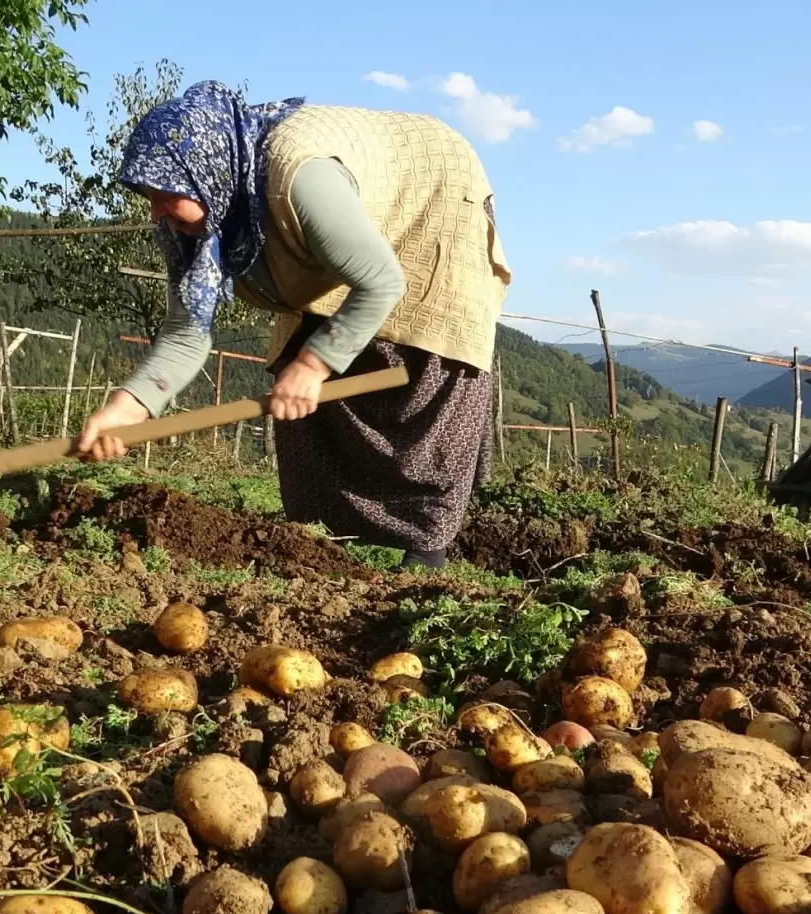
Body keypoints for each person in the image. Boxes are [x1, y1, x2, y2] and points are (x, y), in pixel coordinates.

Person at [75, 80, 511, 569]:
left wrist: (315, 362)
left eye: (164, 194)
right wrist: (129, 406)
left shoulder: (300, 179)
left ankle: (425, 559)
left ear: (205, 172)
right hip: (336, 238)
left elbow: (382, 282)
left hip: (434, 194)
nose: (155, 210)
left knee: (422, 373)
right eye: (147, 194)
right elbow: (185, 333)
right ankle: (319, 551)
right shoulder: (190, 219)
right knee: (300, 386)